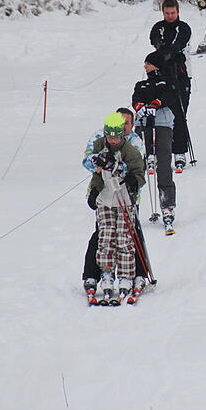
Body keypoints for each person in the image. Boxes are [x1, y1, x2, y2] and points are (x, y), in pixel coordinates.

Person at [81, 112, 146, 300]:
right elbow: (90, 164)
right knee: (104, 236)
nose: (112, 139)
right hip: (105, 198)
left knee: (125, 237)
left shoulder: (133, 147)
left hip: (125, 199)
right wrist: (94, 190)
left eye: (116, 136)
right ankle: (104, 273)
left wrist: (132, 181)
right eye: (109, 136)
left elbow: (136, 171)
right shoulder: (99, 143)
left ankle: (129, 275)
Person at [132, 51, 179, 234]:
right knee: (137, 163)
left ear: (156, 65)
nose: (145, 66)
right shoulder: (141, 84)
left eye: (148, 64)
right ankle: (133, 202)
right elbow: (136, 97)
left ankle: (167, 206)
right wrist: (141, 107)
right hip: (143, 123)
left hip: (162, 124)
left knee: (164, 163)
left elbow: (170, 96)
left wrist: (155, 104)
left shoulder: (167, 81)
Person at [150, 0, 192, 170]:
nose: (170, 16)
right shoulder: (158, 27)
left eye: (173, 13)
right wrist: (162, 50)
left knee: (180, 113)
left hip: (182, 75)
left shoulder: (184, 27)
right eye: (167, 13)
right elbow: (155, 41)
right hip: (161, 75)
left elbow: (179, 43)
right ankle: (160, 150)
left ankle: (180, 151)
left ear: (178, 12)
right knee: (161, 113)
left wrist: (170, 52)